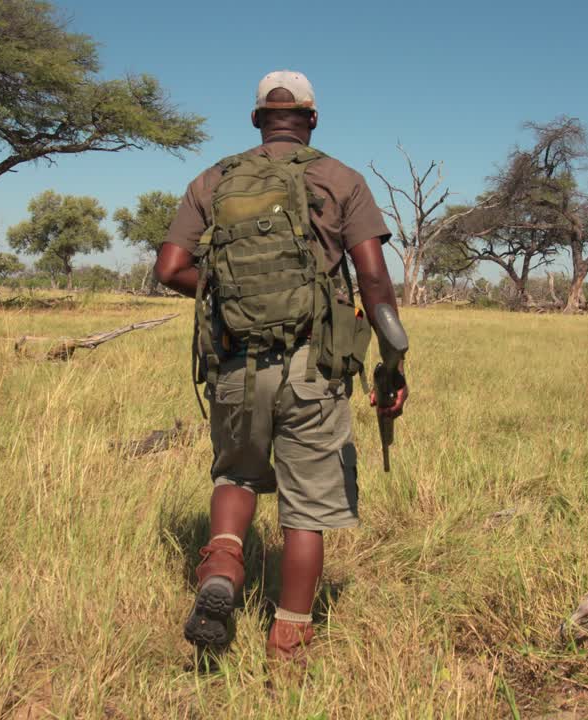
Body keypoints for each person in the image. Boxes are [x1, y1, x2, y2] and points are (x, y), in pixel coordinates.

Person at [154, 70, 409, 664]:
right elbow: (373, 281)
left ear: (256, 120)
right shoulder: (341, 179)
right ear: (312, 119)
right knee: (306, 510)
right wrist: (391, 368)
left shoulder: (214, 180)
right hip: (313, 368)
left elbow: (169, 269)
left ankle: (222, 564)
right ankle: (288, 642)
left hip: (237, 365)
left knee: (236, 476)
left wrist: (226, 295)